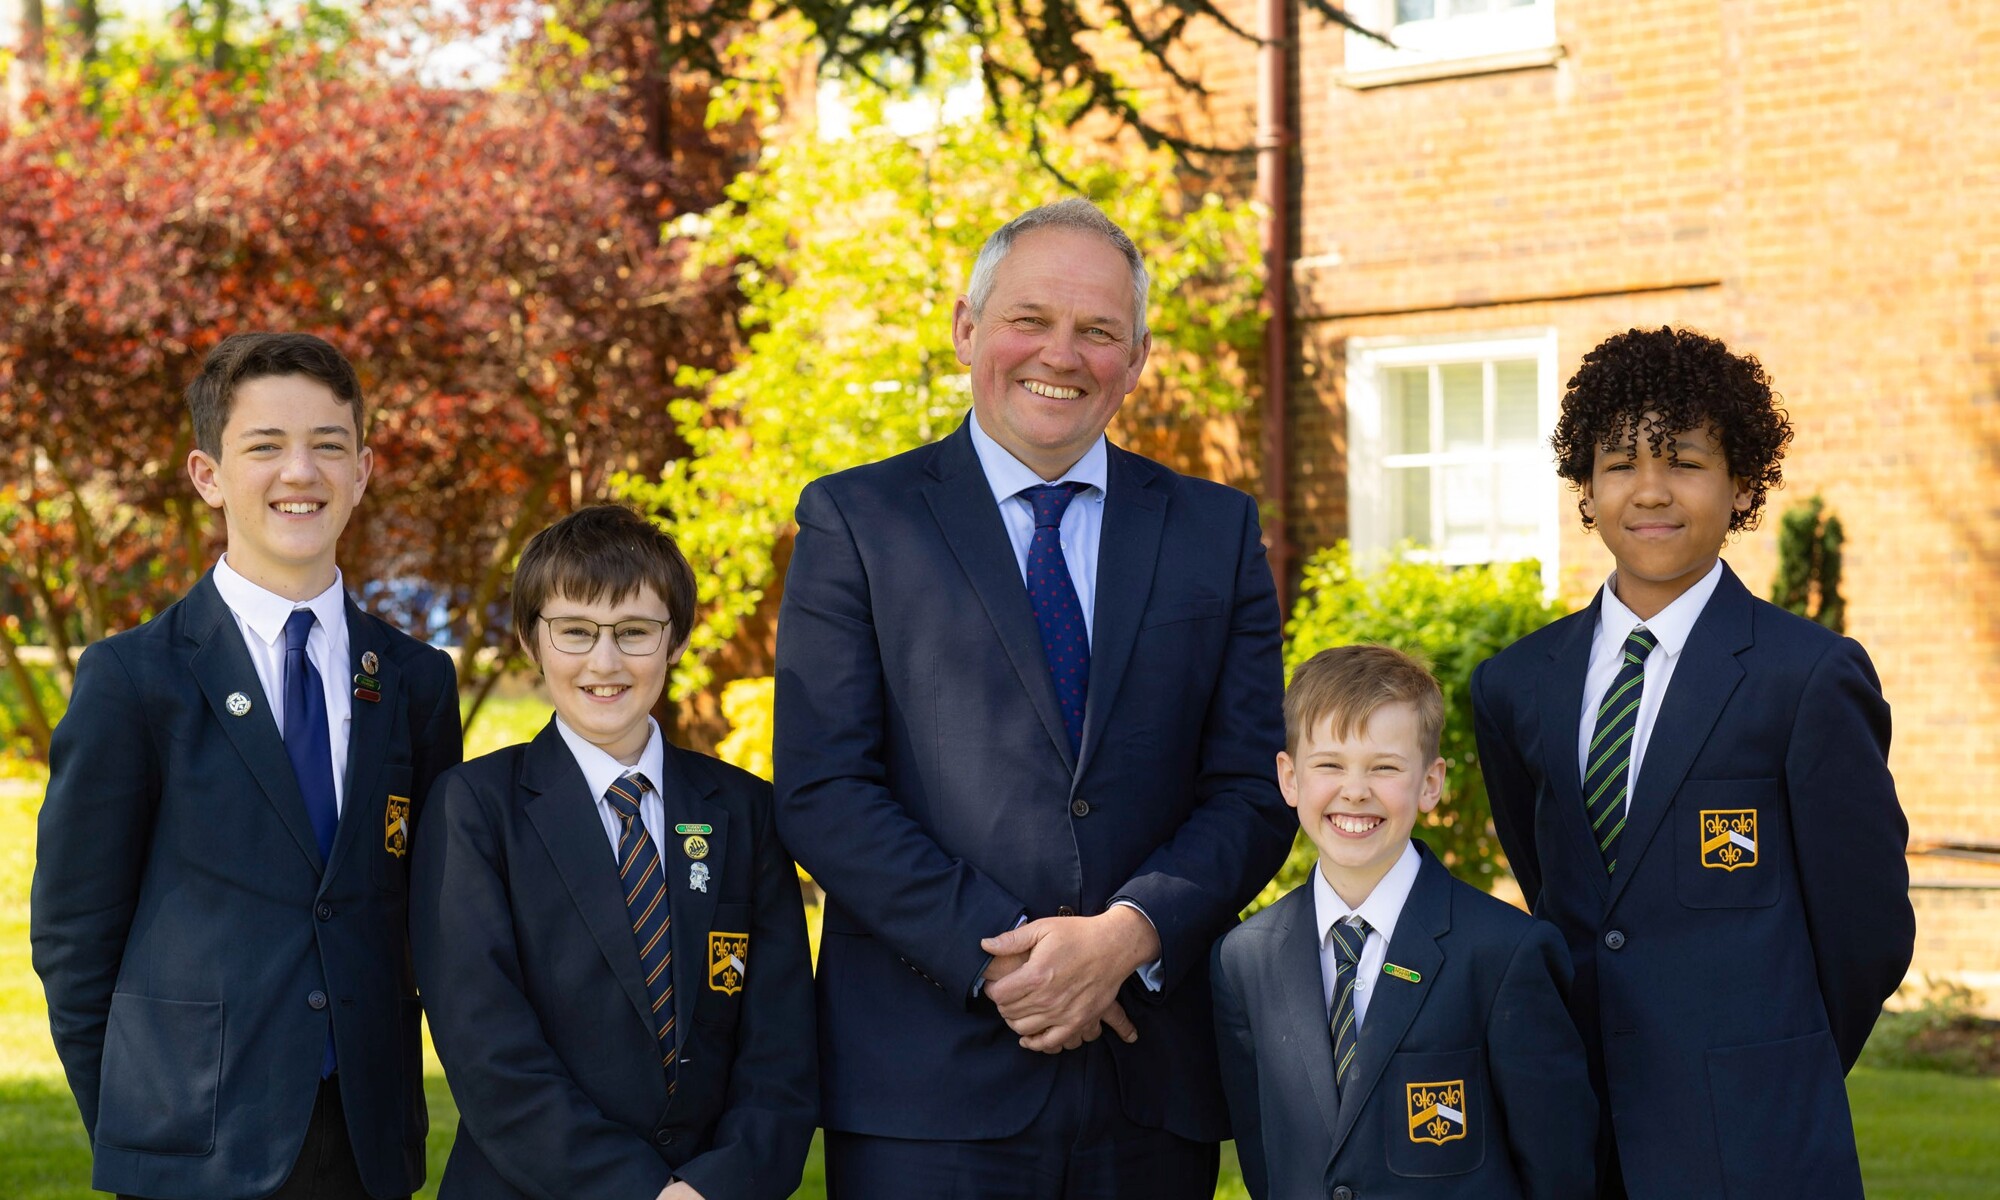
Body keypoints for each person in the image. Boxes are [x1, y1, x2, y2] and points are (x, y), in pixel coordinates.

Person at [773, 197, 1295, 1198]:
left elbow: (1249, 787)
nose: (1060, 353)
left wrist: (1127, 936)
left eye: (1097, 330)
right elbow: (823, 789)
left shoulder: (1214, 532)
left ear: (1135, 356)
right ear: (967, 328)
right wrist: (1012, 961)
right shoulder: (857, 520)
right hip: (924, 1086)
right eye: (1030, 320)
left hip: (1146, 1080)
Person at [1470, 326, 1914, 1200]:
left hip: (1756, 1139)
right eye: (1618, 463)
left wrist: (1777, 1062)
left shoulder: (1809, 677)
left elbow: (1865, 930)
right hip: (1577, 1131)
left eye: (1684, 462)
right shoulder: (1515, 684)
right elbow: (1558, 887)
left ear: (1742, 482)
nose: (1649, 492)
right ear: (1586, 490)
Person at [31, 332, 463, 1200]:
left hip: (367, 1144)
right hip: (193, 1144)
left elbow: (423, 915)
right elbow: (75, 938)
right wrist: (137, 1123)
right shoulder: (132, 680)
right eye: (264, 446)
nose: (299, 473)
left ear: (364, 471)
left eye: (327, 446)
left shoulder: (416, 680)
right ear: (208, 476)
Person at [410, 504, 815, 1200]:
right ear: (531, 641)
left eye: (634, 632)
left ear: (676, 639)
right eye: (575, 632)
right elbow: (488, 1051)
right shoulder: (473, 808)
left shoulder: (745, 810)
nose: (605, 662)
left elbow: (780, 1045)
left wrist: (716, 1185)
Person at [1212, 645, 1595, 1200]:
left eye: (1385, 767)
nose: (1355, 789)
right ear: (1289, 778)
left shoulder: (1505, 954)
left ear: (1430, 783)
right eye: (1330, 765)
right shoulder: (1244, 960)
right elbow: (1264, 1160)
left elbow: (1558, 1172)